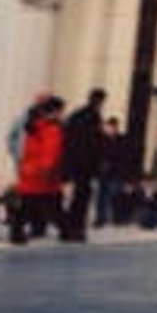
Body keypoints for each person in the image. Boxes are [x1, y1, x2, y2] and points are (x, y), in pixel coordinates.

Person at [10, 95, 65, 245]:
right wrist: (47, 169)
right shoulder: (51, 128)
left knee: (26, 204)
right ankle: (66, 230)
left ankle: (17, 232)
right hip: (44, 174)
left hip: (29, 170)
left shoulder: (33, 125)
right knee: (54, 203)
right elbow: (51, 150)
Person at [58, 89, 107, 242]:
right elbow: (96, 144)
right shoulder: (94, 117)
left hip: (73, 163)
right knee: (82, 198)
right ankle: (76, 229)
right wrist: (99, 164)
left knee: (73, 198)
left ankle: (69, 229)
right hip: (86, 165)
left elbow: (67, 138)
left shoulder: (76, 115)